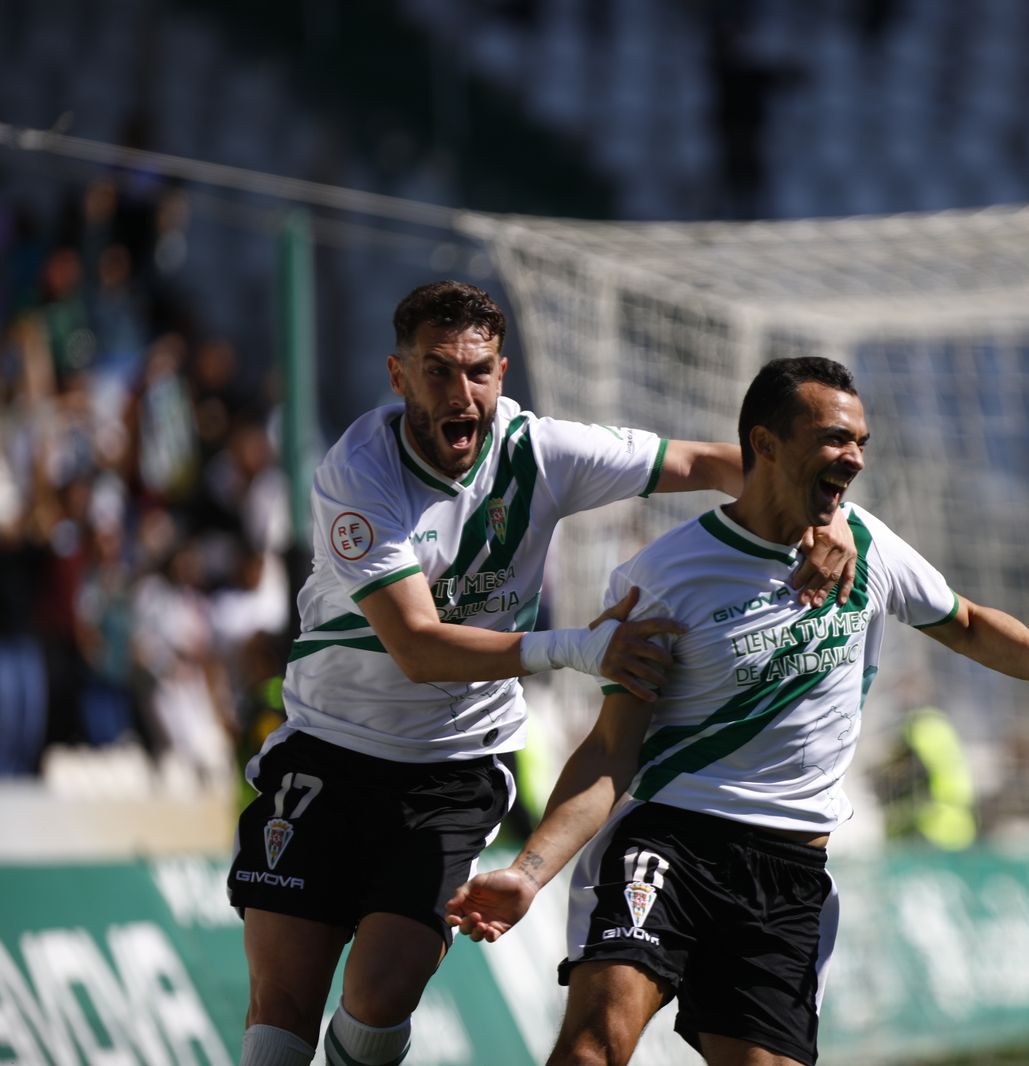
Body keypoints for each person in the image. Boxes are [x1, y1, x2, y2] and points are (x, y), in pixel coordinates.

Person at [447, 356, 1029, 1066]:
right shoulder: (664, 576)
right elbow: (610, 749)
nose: (854, 458)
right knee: (594, 1047)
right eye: (835, 439)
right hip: (671, 842)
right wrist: (530, 872)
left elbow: (962, 622)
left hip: (790, 866)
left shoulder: (868, 546)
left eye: (861, 443)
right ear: (766, 444)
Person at [227, 283, 858, 1066]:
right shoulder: (360, 475)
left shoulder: (543, 451)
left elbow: (709, 462)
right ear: (398, 376)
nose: (462, 393)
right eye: (438, 371)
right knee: (280, 1018)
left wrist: (828, 515)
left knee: (382, 991)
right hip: (328, 749)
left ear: (502, 370)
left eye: (480, 371)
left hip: (448, 770)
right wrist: (574, 648)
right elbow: (418, 648)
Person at [875, 703, 978, 850]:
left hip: (933, 823)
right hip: (960, 821)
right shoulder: (942, 727)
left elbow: (916, 770)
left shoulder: (920, 729)